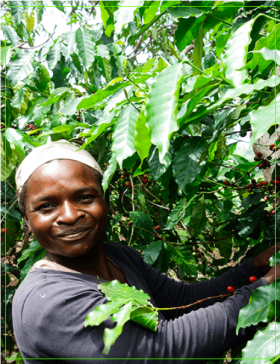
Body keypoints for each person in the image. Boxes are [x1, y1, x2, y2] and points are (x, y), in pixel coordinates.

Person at [12, 140, 280, 364]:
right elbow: (163, 350)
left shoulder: (118, 257)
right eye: (47, 206)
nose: (70, 216)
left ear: (105, 200)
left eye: (84, 197)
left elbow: (182, 300)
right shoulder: (47, 302)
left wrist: (255, 266)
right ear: (27, 219)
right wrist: (265, 290)